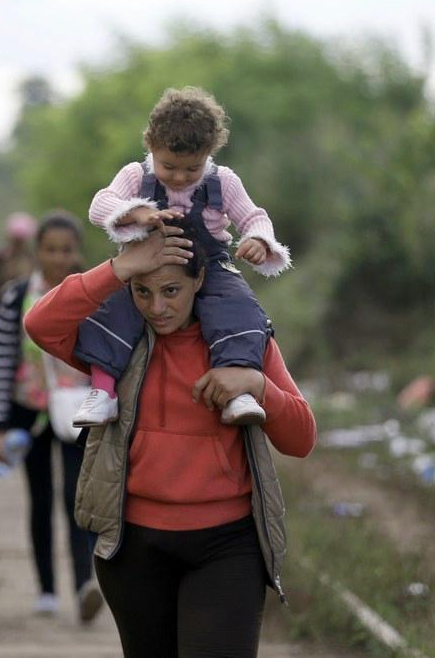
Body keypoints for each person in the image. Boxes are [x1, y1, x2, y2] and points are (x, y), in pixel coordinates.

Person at [23, 222, 316, 658]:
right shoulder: (118, 342)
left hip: (226, 547)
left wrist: (257, 385)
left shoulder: (242, 342)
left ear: (200, 279)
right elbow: (41, 323)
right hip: (134, 548)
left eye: (171, 291)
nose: (157, 308)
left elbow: (302, 438)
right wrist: (119, 267)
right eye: (142, 292)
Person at [71, 86, 291, 429]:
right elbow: (100, 205)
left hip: (209, 263)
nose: (178, 177)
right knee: (112, 306)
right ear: (150, 146)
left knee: (241, 308)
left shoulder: (223, 183)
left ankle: (239, 389)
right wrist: (136, 213)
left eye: (192, 169)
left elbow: (254, 217)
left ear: (209, 154)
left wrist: (259, 241)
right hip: (147, 262)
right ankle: (102, 391)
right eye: (169, 166)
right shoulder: (135, 176)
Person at [0, 211, 103, 623]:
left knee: (78, 498)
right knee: (39, 498)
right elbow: (0, 359)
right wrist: (0, 424)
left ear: (77, 252)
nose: (58, 257)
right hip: (28, 411)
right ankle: (47, 591)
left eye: (66, 250)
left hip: (80, 413)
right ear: (37, 251)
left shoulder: (93, 294)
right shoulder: (15, 296)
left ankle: (84, 585)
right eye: (50, 249)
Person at [0, 211, 37, 300]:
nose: (18, 243)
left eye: (20, 240)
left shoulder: (32, 258)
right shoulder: (0, 257)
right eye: (16, 240)